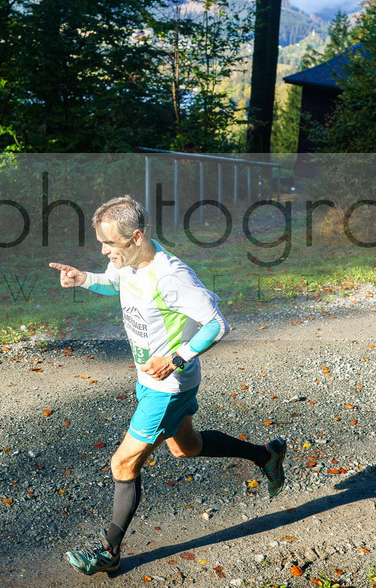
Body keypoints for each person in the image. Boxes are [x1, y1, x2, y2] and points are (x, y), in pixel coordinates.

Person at [49, 195, 287, 576]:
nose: (103, 249)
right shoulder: (130, 263)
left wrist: (177, 358)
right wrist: (85, 279)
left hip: (169, 386)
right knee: (186, 448)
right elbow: (116, 282)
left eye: (109, 243)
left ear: (136, 236)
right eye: (101, 242)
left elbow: (217, 324)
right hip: (150, 380)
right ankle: (266, 456)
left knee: (123, 463)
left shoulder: (171, 275)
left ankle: (109, 550)